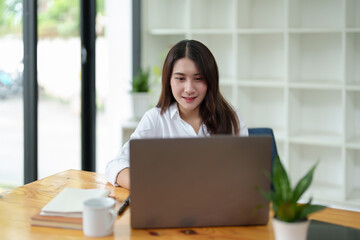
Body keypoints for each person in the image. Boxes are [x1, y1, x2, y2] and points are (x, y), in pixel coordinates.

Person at [105, 39, 248, 189]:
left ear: (211, 81)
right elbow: (115, 165)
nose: (189, 88)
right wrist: (147, 185)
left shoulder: (231, 118)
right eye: (180, 79)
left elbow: (247, 172)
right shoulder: (155, 119)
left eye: (198, 79)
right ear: (168, 81)